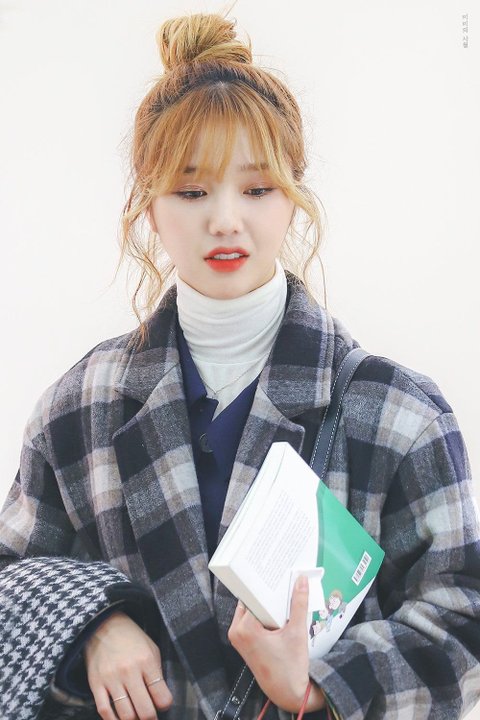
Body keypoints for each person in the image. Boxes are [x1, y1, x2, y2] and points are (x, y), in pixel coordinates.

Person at [1, 9, 480, 720]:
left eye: (257, 189)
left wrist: (318, 683)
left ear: (294, 198)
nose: (225, 219)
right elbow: (10, 575)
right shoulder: (80, 407)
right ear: (148, 207)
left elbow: (464, 619)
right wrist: (94, 620)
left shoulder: (399, 413)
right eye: (192, 191)